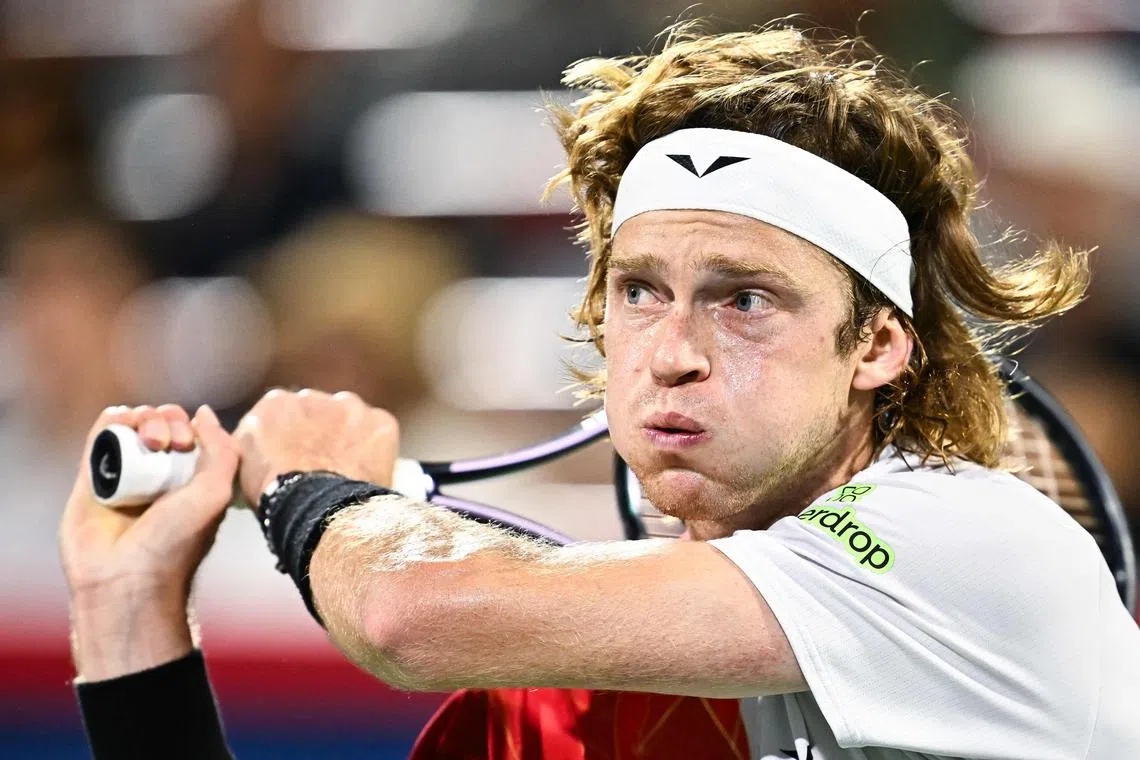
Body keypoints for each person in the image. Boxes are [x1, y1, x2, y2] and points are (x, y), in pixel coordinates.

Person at [60, 21, 1140, 759]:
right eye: (639, 290)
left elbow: (403, 610)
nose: (671, 350)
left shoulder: (972, 539)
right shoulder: (590, 693)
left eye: (745, 299)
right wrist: (131, 614)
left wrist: (312, 488)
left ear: (878, 347)